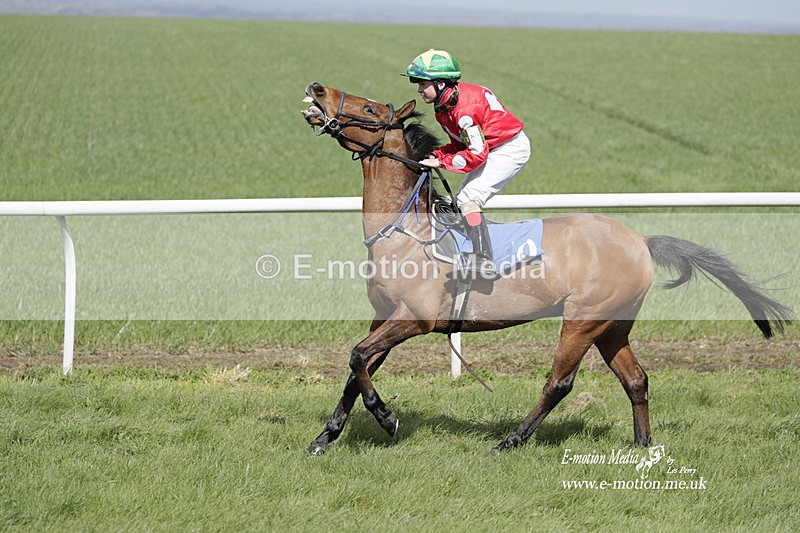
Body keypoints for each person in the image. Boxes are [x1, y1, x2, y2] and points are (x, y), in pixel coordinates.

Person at [401, 49, 531, 279]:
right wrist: (436, 153)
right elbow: (461, 143)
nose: (419, 90)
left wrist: (440, 160)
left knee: (468, 200)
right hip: (492, 147)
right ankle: (463, 252)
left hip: (508, 149)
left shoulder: (463, 111)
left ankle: (484, 260)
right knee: (457, 202)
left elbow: (475, 154)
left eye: (422, 84)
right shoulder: (445, 105)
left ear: (440, 84)